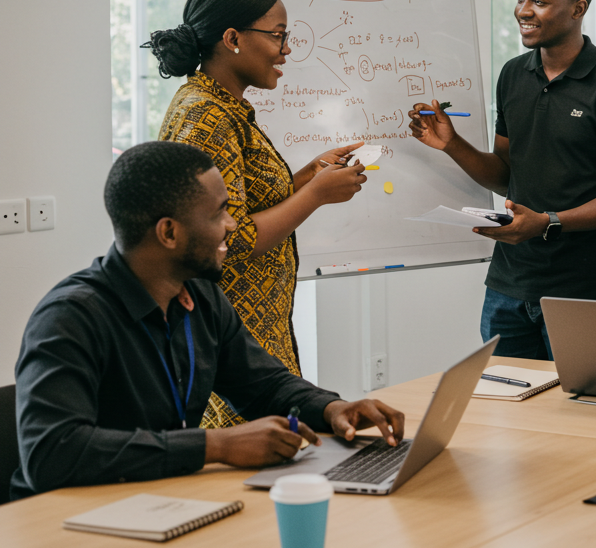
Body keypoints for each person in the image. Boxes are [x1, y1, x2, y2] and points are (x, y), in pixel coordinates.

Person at [11, 142, 404, 500]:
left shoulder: (199, 297)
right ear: (169, 232)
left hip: (158, 502)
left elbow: (264, 386)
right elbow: (51, 453)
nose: (231, 225)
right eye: (220, 213)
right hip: (67, 522)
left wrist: (332, 409)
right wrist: (216, 445)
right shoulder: (69, 317)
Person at [147, 0, 368, 428]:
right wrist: (315, 195)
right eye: (279, 36)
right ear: (232, 38)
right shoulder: (205, 117)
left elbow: (245, 202)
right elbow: (231, 238)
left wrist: (310, 175)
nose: (286, 50)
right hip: (230, 344)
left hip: (259, 333)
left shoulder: (225, 106)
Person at [410, 0, 596, 359]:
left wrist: (547, 224)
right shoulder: (513, 74)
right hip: (507, 285)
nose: (523, 10)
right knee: (506, 412)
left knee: (575, 414)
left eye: (539, 0)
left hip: (580, 290)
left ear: (578, 9)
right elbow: (505, 173)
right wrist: (452, 143)